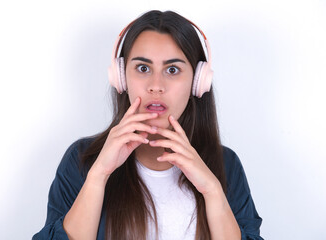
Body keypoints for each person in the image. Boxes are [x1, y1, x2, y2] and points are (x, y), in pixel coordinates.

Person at [33, 10, 263, 240]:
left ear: (198, 82)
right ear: (121, 77)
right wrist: (98, 176)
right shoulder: (82, 159)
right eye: (143, 68)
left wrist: (213, 192)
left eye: (172, 70)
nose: (156, 85)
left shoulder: (225, 164)